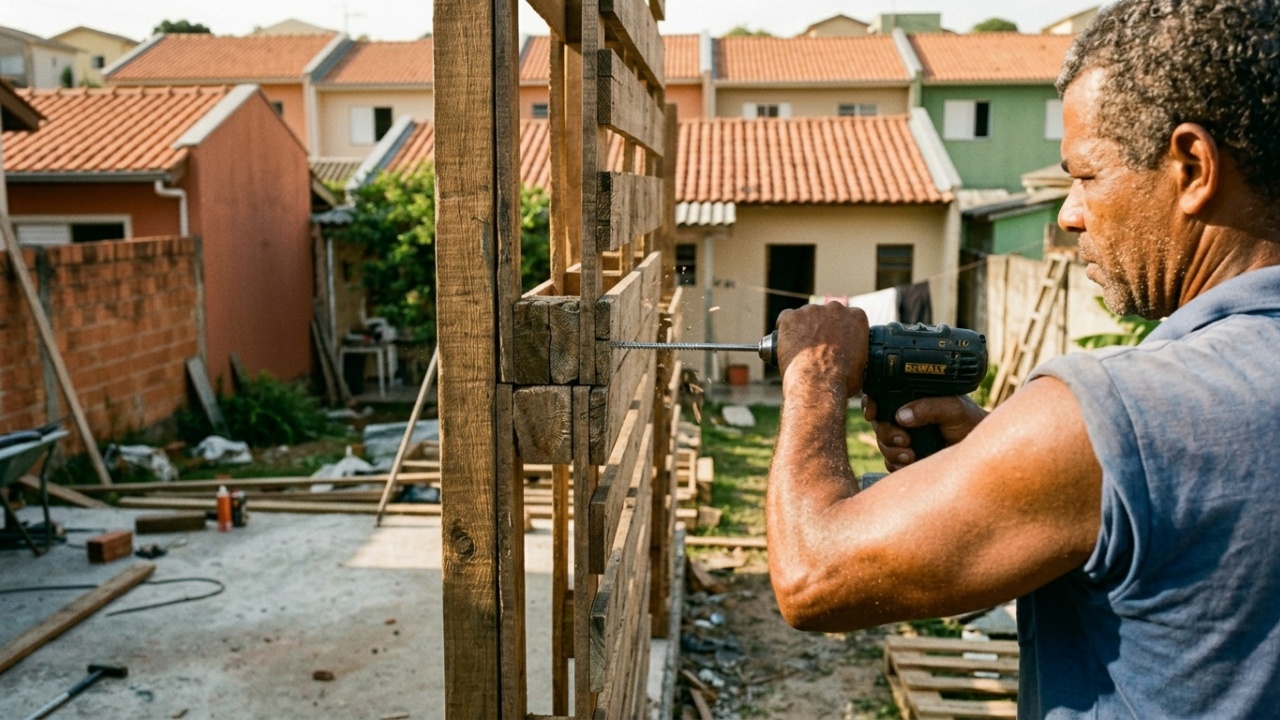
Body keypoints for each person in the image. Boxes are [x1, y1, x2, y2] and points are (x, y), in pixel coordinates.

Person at [765, 1, 1280, 717]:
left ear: (1192, 166)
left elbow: (812, 575)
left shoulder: (1116, 415)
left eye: (1086, 176)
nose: (1069, 213)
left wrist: (814, 374)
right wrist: (1011, 462)